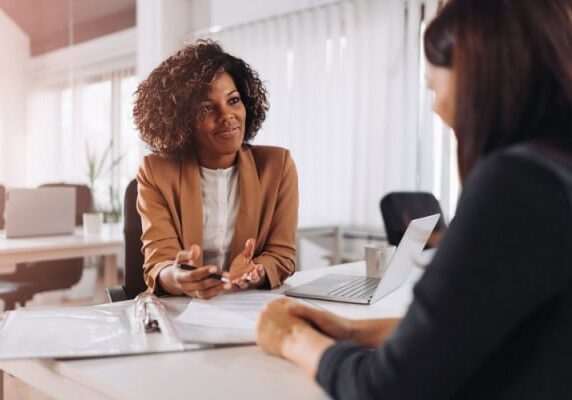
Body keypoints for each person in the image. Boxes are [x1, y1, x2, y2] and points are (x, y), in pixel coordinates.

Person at [256, 0, 572, 398]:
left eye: (433, 88)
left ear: (480, 78)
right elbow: (467, 329)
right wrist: (352, 330)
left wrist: (291, 340)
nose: (436, 107)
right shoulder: (555, 170)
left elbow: (388, 388)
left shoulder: (519, 184)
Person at [133, 40, 298, 299]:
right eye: (207, 108)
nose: (227, 115)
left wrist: (256, 272)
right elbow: (159, 263)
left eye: (233, 100)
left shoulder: (277, 167)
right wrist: (180, 278)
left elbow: (282, 255)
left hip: (248, 307)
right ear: (183, 121)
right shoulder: (156, 172)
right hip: (180, 310)